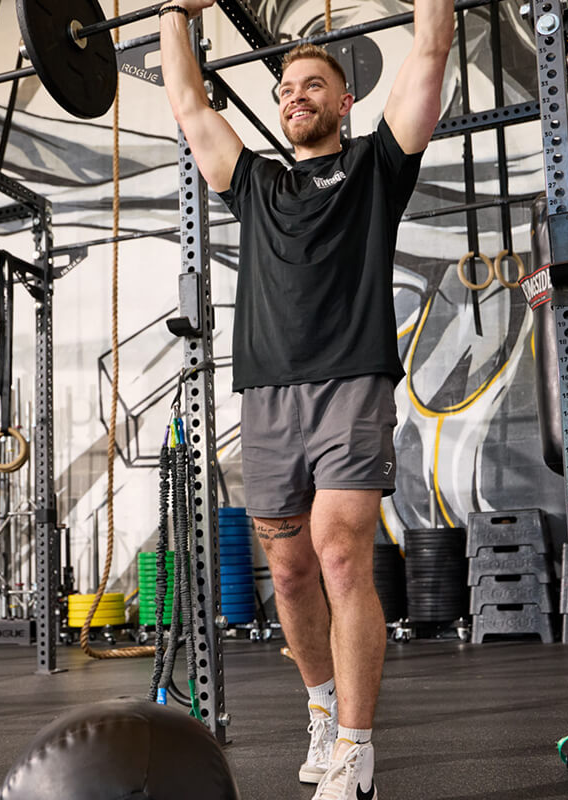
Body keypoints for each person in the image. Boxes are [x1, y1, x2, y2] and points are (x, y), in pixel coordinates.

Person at [159, 2, 453, 798]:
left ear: (345, 99)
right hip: (265, 398)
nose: (295, 96)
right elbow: (189, 104)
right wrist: (179, 14)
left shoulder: (377, 165)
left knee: (337, 552)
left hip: (352, 384)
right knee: (287, 574)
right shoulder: (253, 181)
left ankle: (356, 752)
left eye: (313, 85)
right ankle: (321, 709)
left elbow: (429, 50)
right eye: (287, 87)